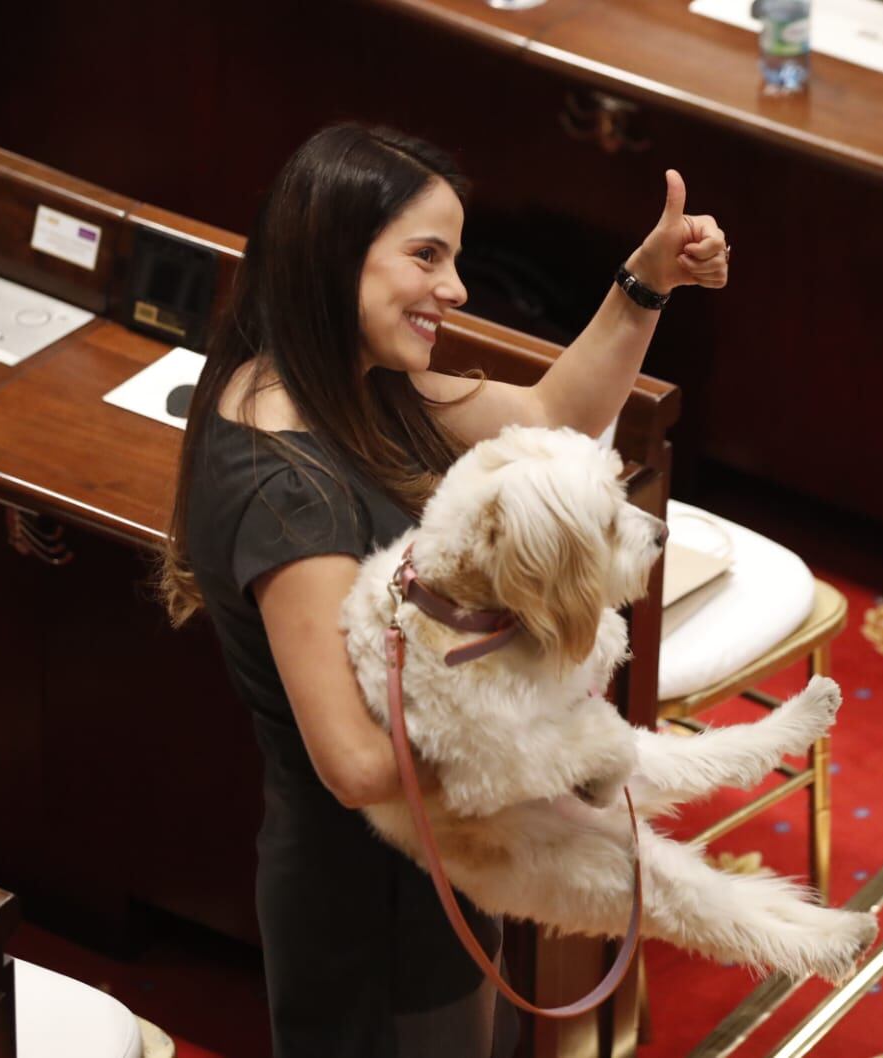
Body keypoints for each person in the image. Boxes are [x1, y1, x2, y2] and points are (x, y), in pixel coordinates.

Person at [159, 123, 729, 1057]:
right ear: (335, 256)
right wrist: (543, 737)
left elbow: (553, 416)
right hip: (370, 907)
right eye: (426, 255)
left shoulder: (356, 383)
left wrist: (645, 284)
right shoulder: (286, 493)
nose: (457, 288)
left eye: (454, 257)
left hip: (433, 859)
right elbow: (353, 762)